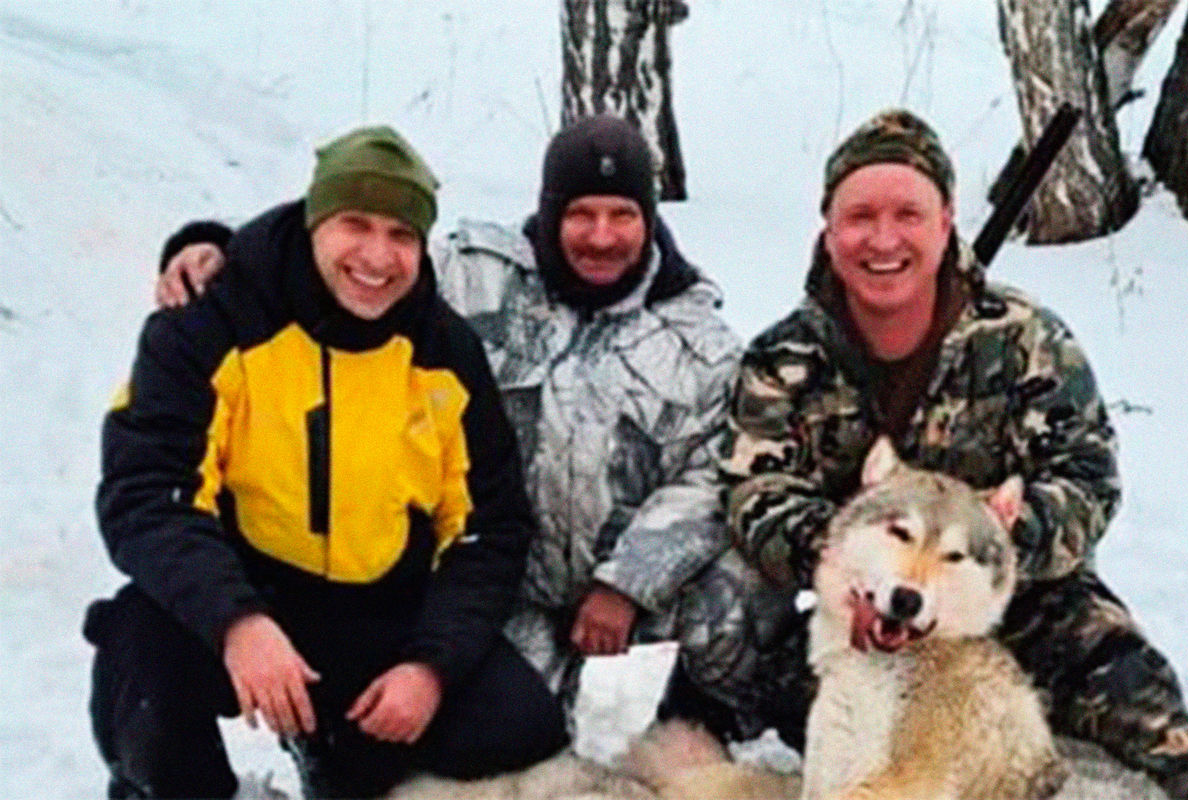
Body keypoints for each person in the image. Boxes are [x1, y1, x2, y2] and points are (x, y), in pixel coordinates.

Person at [154, 115, 749, 723]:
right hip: (503, 579)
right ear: (549, 212)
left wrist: (626, 582)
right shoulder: (475, 276)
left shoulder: (700, 343)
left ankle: (712, 727)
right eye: (581, 214)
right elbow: (354, 258)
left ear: (650, 219)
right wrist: (217, 249)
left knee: (745, 591)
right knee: (515, 740)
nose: (601, 237)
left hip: (629, 585)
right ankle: (332, 739)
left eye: (622, 215)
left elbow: (711, 475)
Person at [717, 108, 1188, 799]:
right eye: (860, 216)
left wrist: (999, 545)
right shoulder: (784, 358)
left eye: (908, 215)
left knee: (1146, 713)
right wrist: (842, 559)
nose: (884, 239)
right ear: (828, 228)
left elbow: (1087, 476)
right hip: (864, 603)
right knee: (772, 707)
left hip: (1010, 598)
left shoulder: (1024, 336)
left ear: (946, 223)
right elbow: (755, 490)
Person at [85, 125, 568, 800]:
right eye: (354, 225)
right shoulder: (211, 322)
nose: (377, 256)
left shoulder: (445, 353)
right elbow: (146, 493)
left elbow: (489, 528)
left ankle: (343, 760)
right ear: (315, 222)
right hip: (244, 590)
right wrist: (238, 622)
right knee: (140, 659)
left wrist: (429, 668)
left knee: (520, 725)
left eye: (401, 235)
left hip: (377, 609)